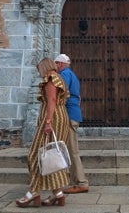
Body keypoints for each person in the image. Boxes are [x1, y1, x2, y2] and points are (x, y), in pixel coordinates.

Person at [16, 57, 70, 207]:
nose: (39, 73)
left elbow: (51, 100)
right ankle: (57, 193)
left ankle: (33, 192)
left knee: (34, 154)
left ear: (44, 67)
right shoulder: (59, 77)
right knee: (52, 154)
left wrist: (48, 122)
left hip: (53, 119)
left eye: (39, 70)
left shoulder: (50, 78)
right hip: (61, 116)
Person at [55, 53, 89, 194]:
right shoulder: (71, 74)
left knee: (72, 150)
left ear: (60, 64)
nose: (54, 66)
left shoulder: (65, 75)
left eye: (56, 63)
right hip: (73, 114)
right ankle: (67, 178)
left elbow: (62, 94)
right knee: (68, 149)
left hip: (69, 115)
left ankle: (81, 182)